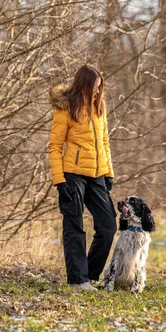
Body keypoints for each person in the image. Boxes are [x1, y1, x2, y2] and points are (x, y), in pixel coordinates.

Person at [48, 64, 117, 291]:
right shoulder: (65, 108)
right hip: (73, 175)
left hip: (97, 175)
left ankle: (88, 274)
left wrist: (109, 173)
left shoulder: (100, 107)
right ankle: (78, 280)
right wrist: (60, 181)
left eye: (100, 88)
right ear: (84, 85)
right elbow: (55, 147)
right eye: (94, 88)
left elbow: (105, 142)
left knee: (108, 228)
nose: (97, 92)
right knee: (74, 226)